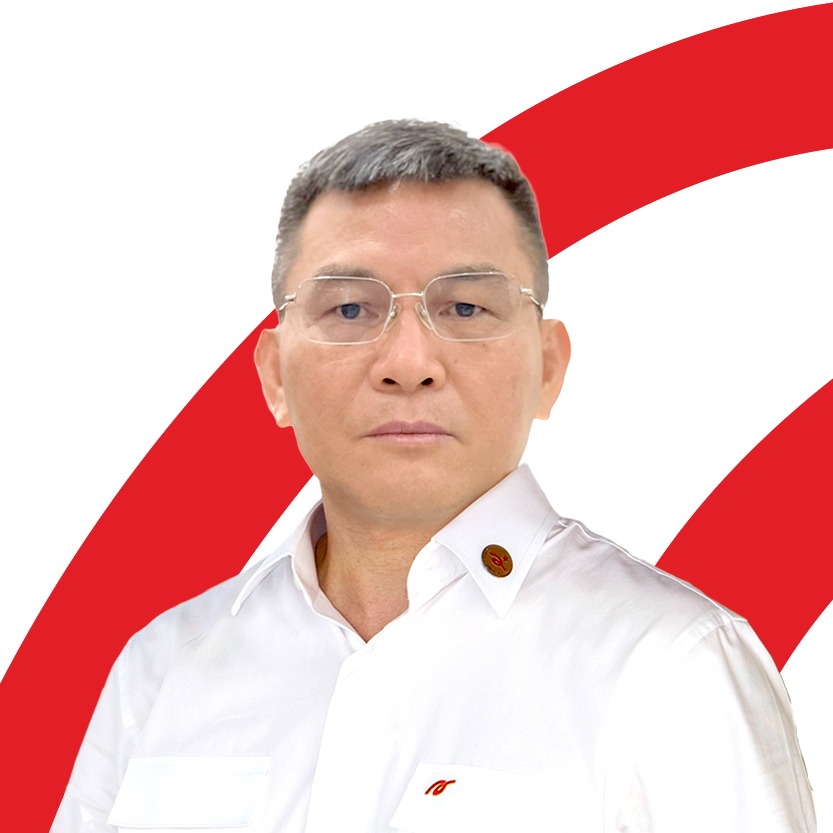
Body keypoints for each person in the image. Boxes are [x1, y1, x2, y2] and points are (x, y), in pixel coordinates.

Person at [52, 120, 816, 832]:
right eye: (350, 309)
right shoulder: (163, 667)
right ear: (274, 376)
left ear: (547, 367)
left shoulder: (673, 665)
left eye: (465, 307)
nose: (408, 363)